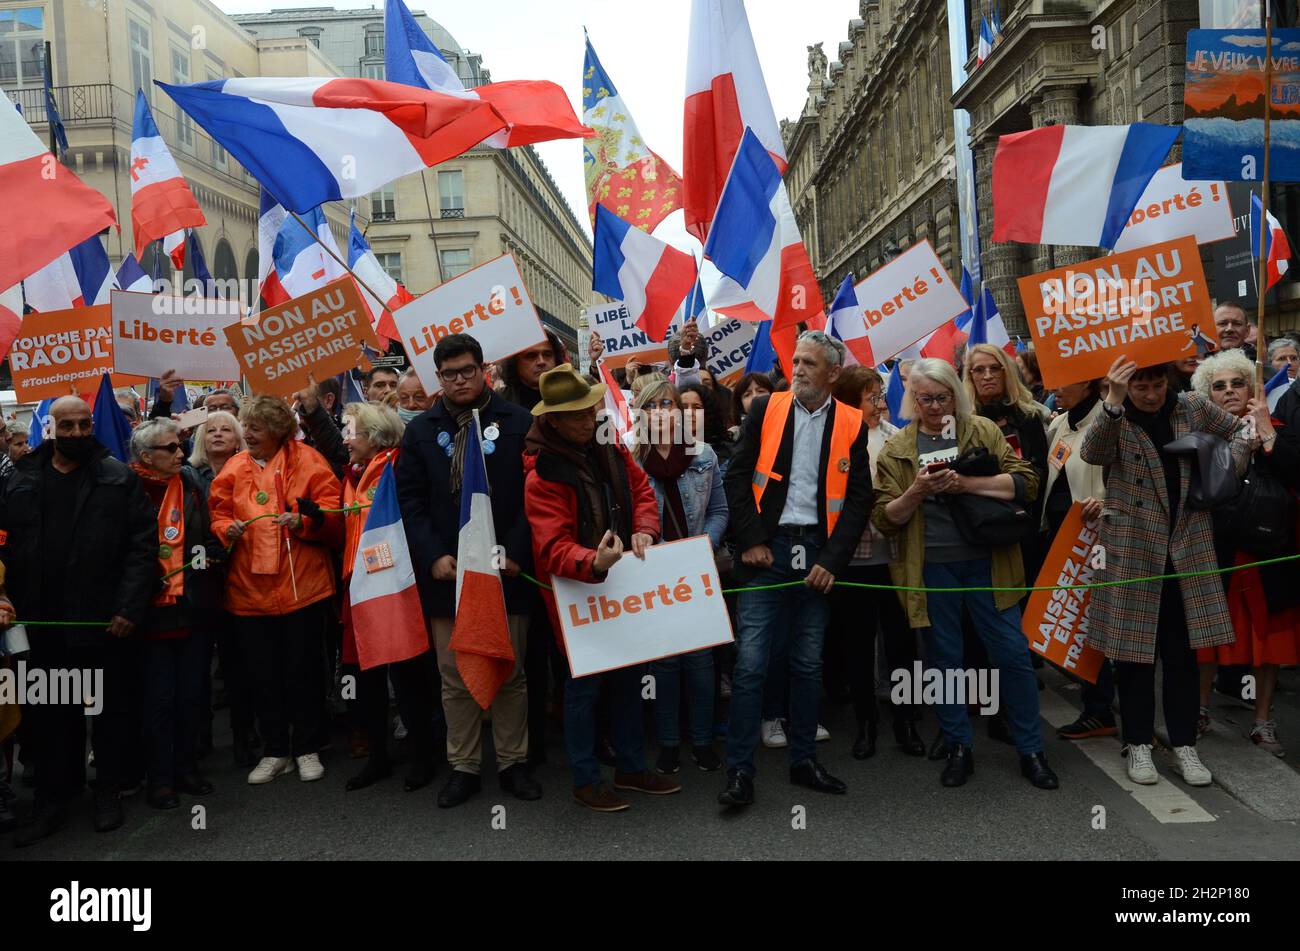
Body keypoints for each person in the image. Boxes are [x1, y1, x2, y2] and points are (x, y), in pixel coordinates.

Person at [873, 358, 1058, 790]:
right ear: (912, 400)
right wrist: (918, 489)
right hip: (932, 567)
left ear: (956, 394)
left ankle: (1031, 749)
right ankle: (959, 746)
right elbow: (885, 518)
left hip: (990, 561)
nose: (935, 407)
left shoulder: (982, 430)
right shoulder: (897, 448)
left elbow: (1026, 483)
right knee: (945, 661)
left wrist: (965, 484)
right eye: (925, 399)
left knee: (1012, 654)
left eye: (943, 397)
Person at [719, 331, 873, 808]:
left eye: (809, 363)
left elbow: (859, 498)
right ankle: (739, 773)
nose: (799, 369)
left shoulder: (852, 422)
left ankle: (803, 761)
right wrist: (752, 541)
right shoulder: (766, 409)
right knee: (750, 666)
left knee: (808, 665)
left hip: (818, 556)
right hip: (771, 551)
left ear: (832, 373)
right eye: (796, 361)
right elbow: (737, 475)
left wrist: (832, 560)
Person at [1080, 357, 1251, 787]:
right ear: (1126, 385)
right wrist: (1115, 402)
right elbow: (1092, 452)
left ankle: (1184, 745)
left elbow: (1238, 431)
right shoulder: (1115, 414)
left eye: (1157, 384)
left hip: (1187, 543)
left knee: (1183, 654)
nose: (1151, 394)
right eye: (1141, 387)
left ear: (1167, 380)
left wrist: (1222, 464)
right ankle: (1138, 744)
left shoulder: (1192, 406)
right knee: (1134, 656)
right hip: (1133, 547)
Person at [0, 397, 156, 845]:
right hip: (39, 625)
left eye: (82, 424)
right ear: (50, 429)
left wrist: (128, 608)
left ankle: (107, 789)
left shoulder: (118, 476)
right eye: (65, 425)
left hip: (101, 623)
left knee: (107, 713)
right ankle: (53, 799)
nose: (74, 433)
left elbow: (142, 549)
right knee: (49, 717)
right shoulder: (22, 477)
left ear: (92, 426)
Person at [523, 363, 677, 811]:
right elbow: (550, 549)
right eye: (576, 416)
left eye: (590, 410)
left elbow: (642, 490)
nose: (588, 420)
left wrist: (645, 527)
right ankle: (586, 779)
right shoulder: (542, 473)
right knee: (584, 687)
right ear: (552, 420)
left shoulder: (607, 442)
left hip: (619, 580)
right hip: (576, 593)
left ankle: (629, 767)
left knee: (629, 677)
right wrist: (593, 561)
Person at [396, 333, 540, 807]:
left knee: (510, 670)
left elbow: (533, 498)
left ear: (485, 370)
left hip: (505, 571)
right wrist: (433, 554)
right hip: (448, 574)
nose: (459, 380)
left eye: (468, 371)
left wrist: (515, 550)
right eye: (449, 374)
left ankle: (514, 762)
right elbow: (411, 503)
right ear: (438, 378)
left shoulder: (519, 422)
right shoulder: (419, 431)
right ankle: (464, 765)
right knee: (453, 673)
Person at [209, 396, 343, 786]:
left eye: (256, 427)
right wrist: (225, 530)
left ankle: (307, 746)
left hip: (302, 584)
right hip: (249, 590)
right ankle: (274, 750)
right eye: (246, 426)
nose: (247, 434)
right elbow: (218, 511)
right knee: (262, 674)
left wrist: (304, 521)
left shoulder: (309, 460)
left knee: (303, 670)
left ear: (279, 430)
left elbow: (333, 511)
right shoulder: (234, 467)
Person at [1190, 351, 1300, 756]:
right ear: (1208, 395)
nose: (1229, 391)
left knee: (1267, 642)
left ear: (1252, 389)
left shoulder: (1281, 428)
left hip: (1270, 554)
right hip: (1216, 551)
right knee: (1208, 640)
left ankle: (1263, 720)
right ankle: (1199, 711)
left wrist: (1268, 433)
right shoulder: (1199, 437)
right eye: (1219, 386)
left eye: (1237, 383)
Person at [337, 402, 437, 791]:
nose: (347, 440)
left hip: (394, 586)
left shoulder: (397, 466)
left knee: (408, 674)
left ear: (375, 437)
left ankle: (422, 755)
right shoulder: (353, 474)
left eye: (354, 432)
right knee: (365, 677)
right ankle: (377, 756)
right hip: (357, 587)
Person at [827, 366, 924, 758]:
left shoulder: (896, 439)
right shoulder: (833, 441)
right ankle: (866, 722)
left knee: (902, 643)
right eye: (872, 397)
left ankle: (906, 721)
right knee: (858, 645)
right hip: (853, 561)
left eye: (881, 395)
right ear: (852, 401)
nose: (881, 404)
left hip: (896, 559)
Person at [634, 378, 728, 774]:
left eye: (668, 404)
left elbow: (720, 510)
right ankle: (669, 743)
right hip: (653, 574)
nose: (661, 413)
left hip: (695, 570)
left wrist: (704, 545)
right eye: (652, 406)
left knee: (701, 659)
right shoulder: (631, 460)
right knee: (665, 662)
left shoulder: (703, 455)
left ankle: (703, 742)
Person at [128, 419, 221, 810]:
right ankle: (160, 778)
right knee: (158, 700)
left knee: (190, 696)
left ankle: (186, 768)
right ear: (147, 456)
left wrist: (215, 552)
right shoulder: (128, 487)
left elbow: (204, 532)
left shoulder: (189, 484)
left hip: (191, 607)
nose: (180, 454)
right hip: (148, 613)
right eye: (171, 448)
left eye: (180, 446)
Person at [1038, 378, 1117, 740]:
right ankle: (1096, 705)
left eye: (1064, 380)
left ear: (1089, 383)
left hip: (1098, 541)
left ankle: (1103, 709)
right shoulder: (1060, 422)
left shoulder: (1111, 419)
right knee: (1077, 625)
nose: (1055, 386)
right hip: (1064, 541)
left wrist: (1108, 505)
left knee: (1096, 623)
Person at [187, 410, 257, 767]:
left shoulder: (250, 469)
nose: (217, 434)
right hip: (201, 583)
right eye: (210, 429)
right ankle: (200, 739)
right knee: (198, 666)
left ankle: (246, 737)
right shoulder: (187, 476)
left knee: (240, 664)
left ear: (238, 436)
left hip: (243, 576)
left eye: (225, 429)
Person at [497, 329, 565, 412]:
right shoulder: (499, 404)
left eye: (547, 354)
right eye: (531, 356)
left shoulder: (572, 395)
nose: (541, 362)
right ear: (515, 362)